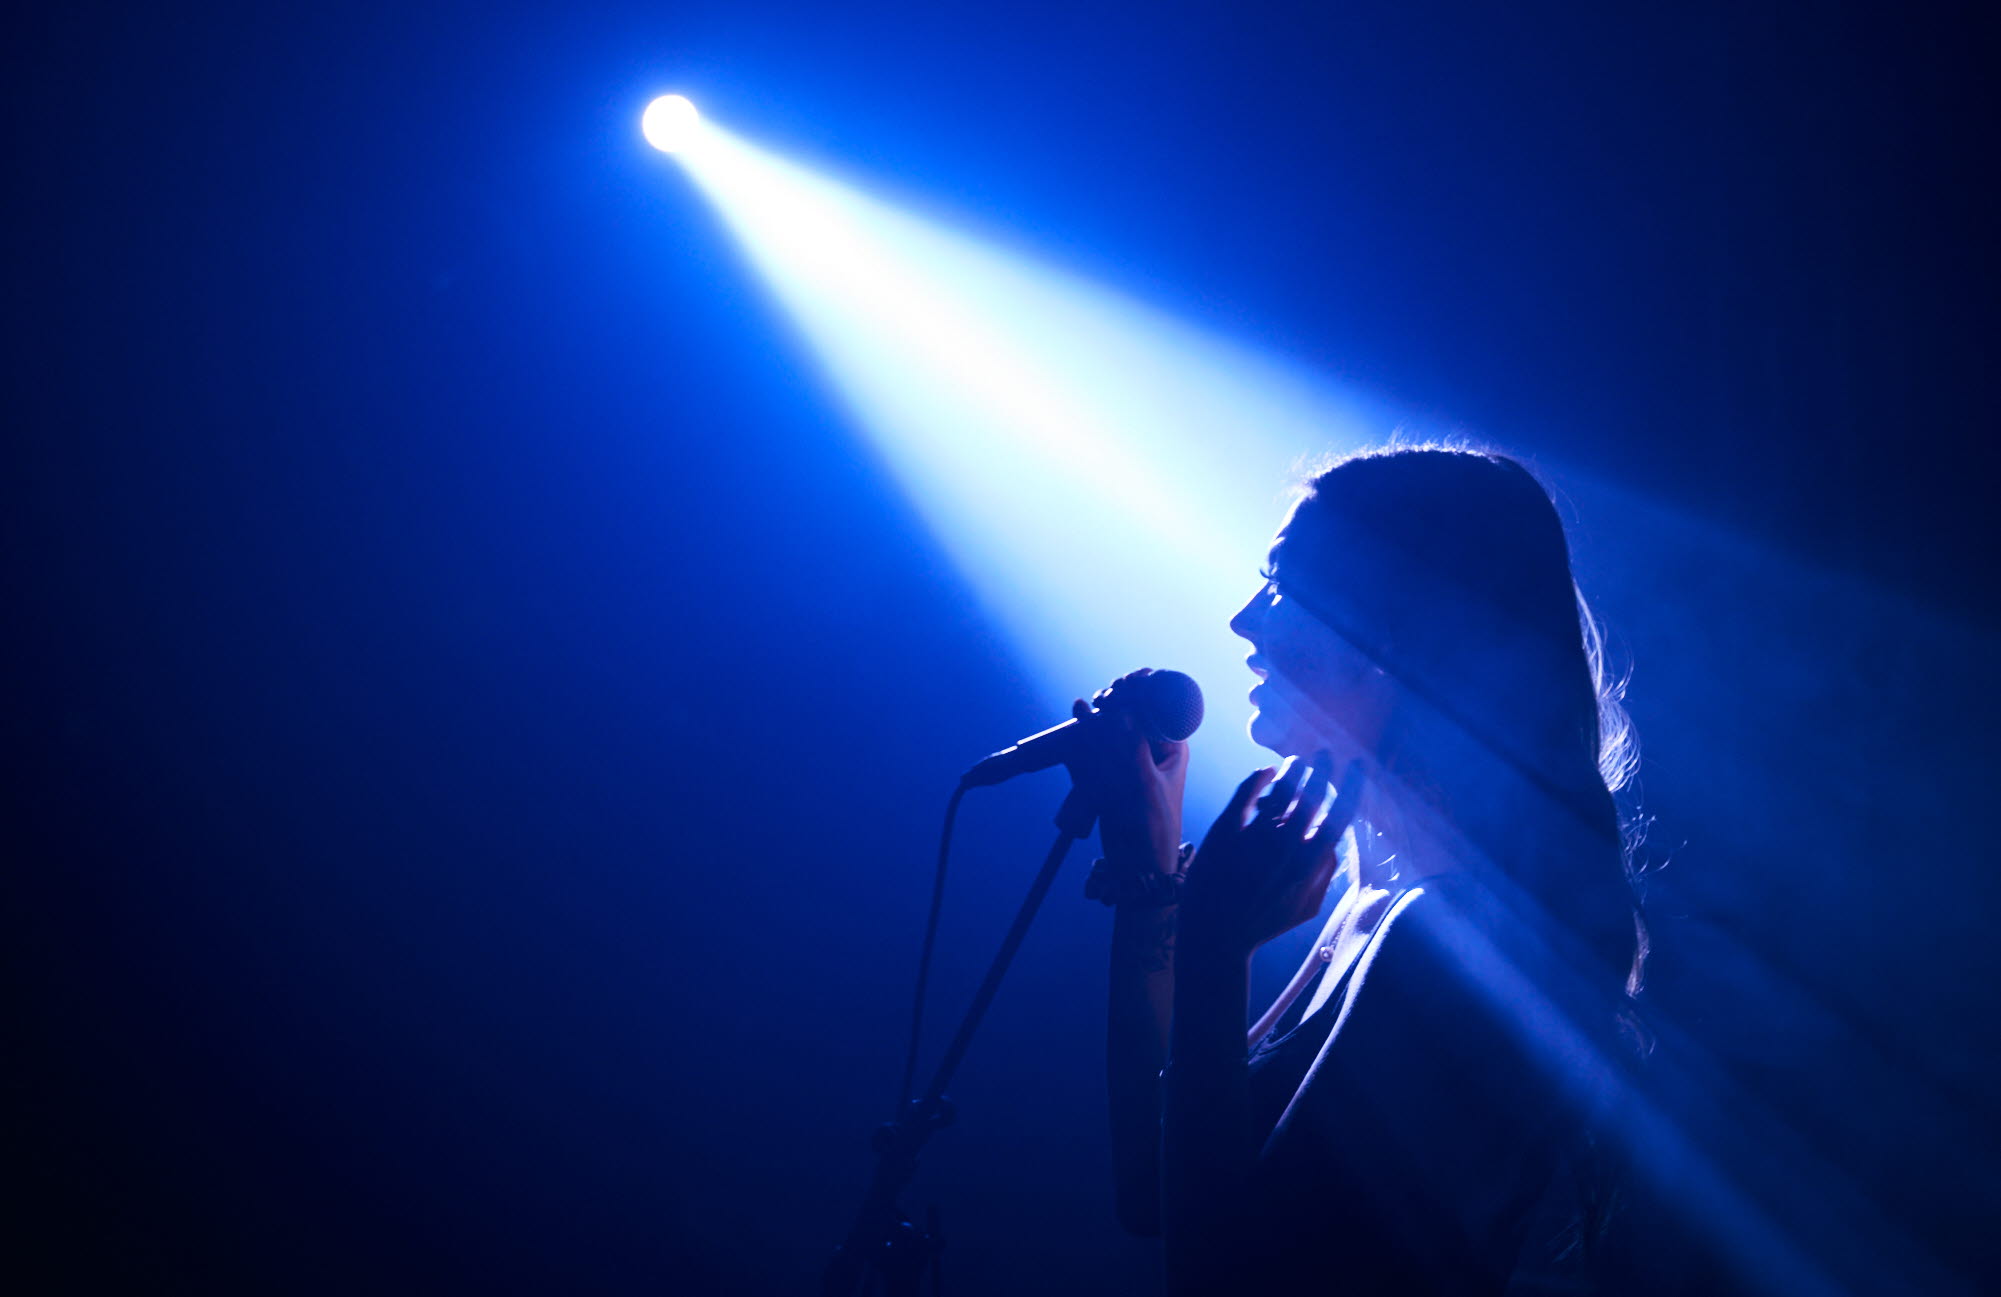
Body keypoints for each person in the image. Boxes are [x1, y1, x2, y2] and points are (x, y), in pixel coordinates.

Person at [1069, 444, 1648, 1295]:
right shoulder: (1376, 904)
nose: (1241, 621)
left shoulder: (1453, 942)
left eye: (1281, 587)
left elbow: (1218, 1279)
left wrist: (1211, 942)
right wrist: (1150, 872)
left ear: (1393, 637)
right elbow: (1154, 1189)